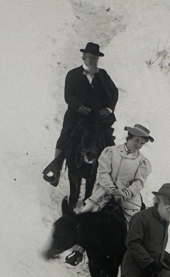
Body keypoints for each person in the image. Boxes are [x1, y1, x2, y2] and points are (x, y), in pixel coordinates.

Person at [42, 42, 118, 187]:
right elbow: (68, 96)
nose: (92, 61)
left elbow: (114, 93)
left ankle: (110, 176)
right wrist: (80, 107)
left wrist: (108, 109)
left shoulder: (103, 75)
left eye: (95, 58)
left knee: (108, 141)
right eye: (89, 57)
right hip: (77, 115)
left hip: (97, 116)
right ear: (83, 57)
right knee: (65, 137)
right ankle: (55, 169)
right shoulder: (72, 74)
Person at [77, 124, 153, 221]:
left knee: (133, 225)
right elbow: (103, 173)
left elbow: (139, 182)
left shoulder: (142, 161)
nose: (138, 145)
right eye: (136, 140)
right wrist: (112, 190)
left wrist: (125, 193)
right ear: (129, 137)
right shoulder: (111, 151)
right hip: (104, 193)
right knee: (84, 218)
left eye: (142, 143)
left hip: (128, 199)